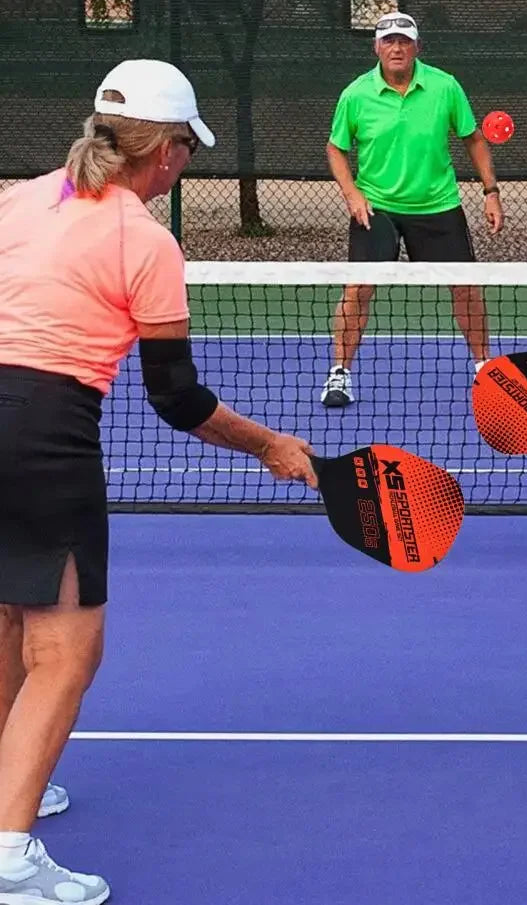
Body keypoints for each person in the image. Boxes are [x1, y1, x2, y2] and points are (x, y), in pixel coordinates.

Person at [0, 59, 317, 903]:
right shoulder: (145, 240)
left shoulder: (17, 198)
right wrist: (269, 445)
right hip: (42, 436)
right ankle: (9, 857)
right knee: (63, 648)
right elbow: (176, 398)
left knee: (3, 613)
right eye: (186, 148)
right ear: (169, 152)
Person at [320, 11, 504, 407]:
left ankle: (484, 368)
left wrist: (490, 192)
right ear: (377, 48)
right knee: (359, 288)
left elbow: (473, 138)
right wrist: (352, 194)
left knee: (466, 287)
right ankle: (339, 374)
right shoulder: (355, 94)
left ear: (417, 46)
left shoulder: (445, 87)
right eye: (388, 41)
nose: (397, 48)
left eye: (404, 40)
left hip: (438, 206)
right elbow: (336, 149)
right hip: (377, 209)